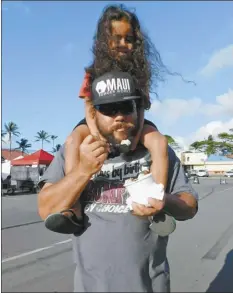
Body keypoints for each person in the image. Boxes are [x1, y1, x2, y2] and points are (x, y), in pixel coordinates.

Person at [38, 71, 198, 292]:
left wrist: (165, 200)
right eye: (109, 109)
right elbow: (47, 208)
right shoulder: (75, 152)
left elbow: (189, 206)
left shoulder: (156, 150)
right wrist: (83, 170)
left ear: (138, 110)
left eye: (126, 107)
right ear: (94, 114)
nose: (119, 116)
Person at [48, 4, 176, 233]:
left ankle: (155, 201)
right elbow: (89, 106)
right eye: (117, 38)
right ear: (104, 41)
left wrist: (136, 137)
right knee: (71, 142)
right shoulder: (93, 71)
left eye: (129, 39)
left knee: (159, 142)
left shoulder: (139, 73)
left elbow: (141, 108)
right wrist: (98, 136)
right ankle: (73, 209)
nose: (123, 44)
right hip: (97, 120)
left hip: (131, 118)